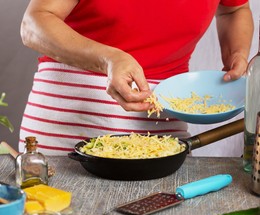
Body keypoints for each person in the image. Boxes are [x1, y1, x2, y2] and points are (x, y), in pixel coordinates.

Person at [19, 0, 253, 155]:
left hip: (160, 133)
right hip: (65, 125)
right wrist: (107, 58)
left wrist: (237, 53)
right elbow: (34, 23)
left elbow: (234, 8)